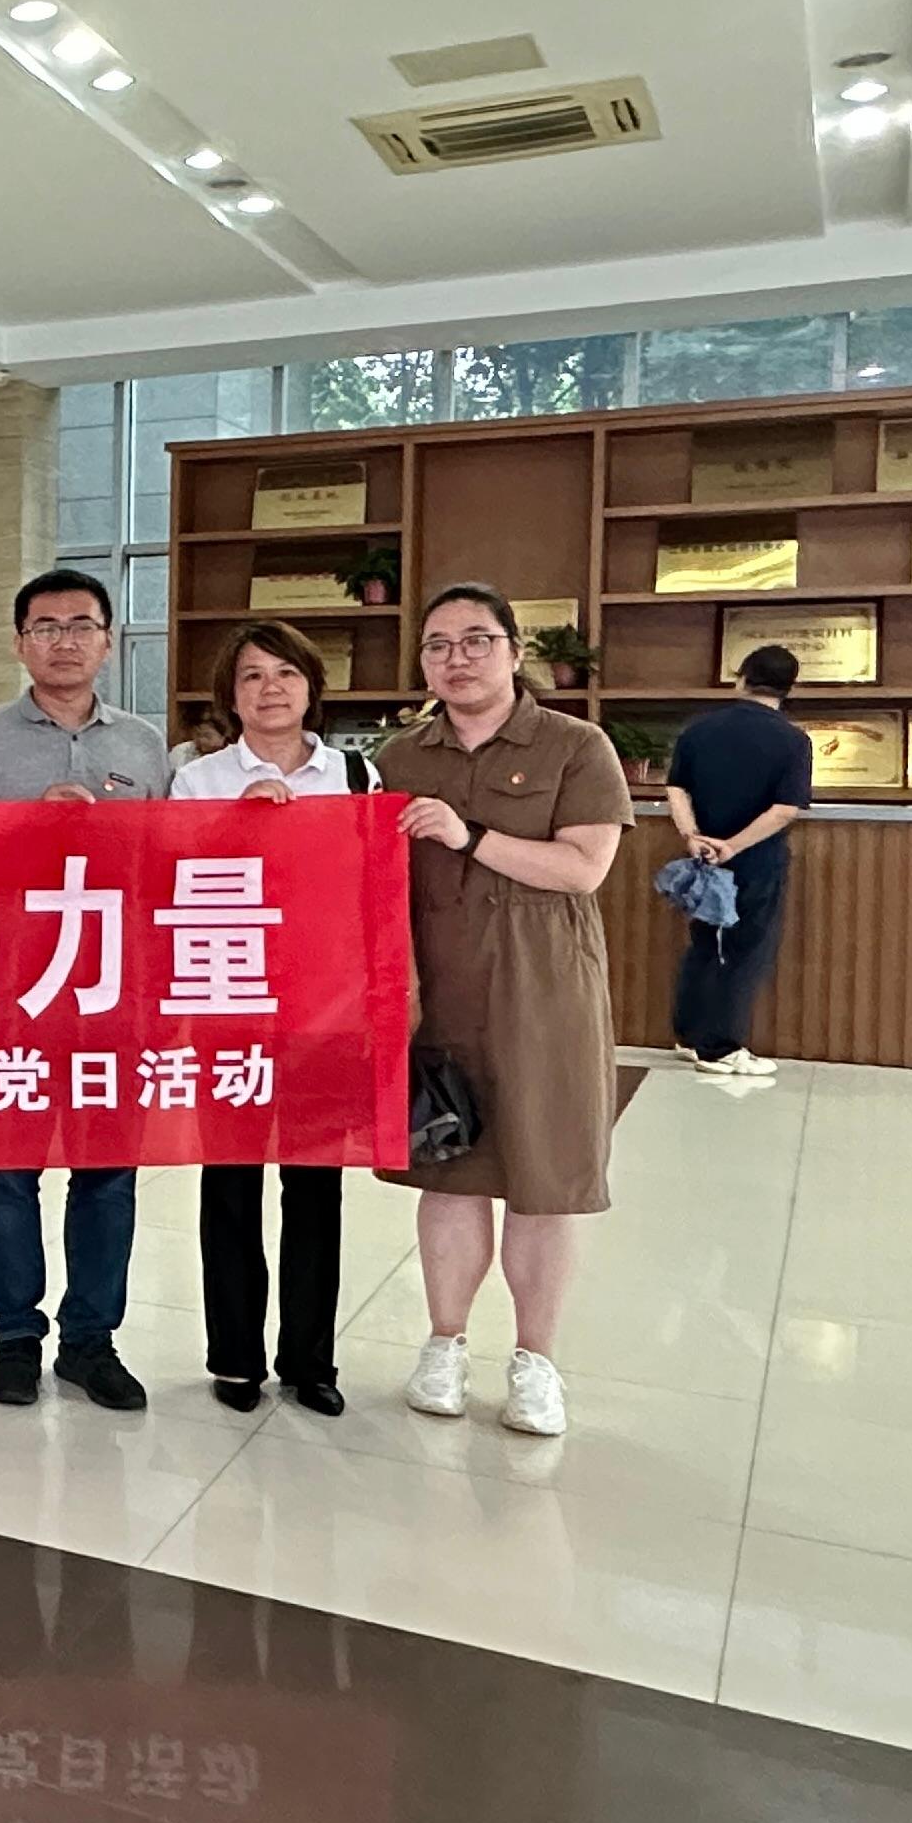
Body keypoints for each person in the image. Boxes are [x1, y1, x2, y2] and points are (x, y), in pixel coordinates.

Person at [379, 581, 629, 1439]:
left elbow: (584, 868)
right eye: (438, 645)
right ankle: (444, 1343)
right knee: (448, 1169)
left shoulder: (574, 746)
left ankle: (535, 1361)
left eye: (477, 640)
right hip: (438, 984)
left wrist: (471, 835)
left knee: (542, 1177)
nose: (458, 659)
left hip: (543, 985)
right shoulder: (400, 757)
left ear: (515, 652)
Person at [0, 567, 167, 1412]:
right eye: (45, 627)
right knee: (6, 1172)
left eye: (81, 625)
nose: (63, 641)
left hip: (116, 989)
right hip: (11, 989)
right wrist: (29, 824)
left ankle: (90, 1341)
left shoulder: (145, 747)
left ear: (108, 641)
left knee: (108, 1174)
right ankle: (14, 1337)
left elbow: (166, 868)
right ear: (18, 643)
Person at [168, 619, 369, 1417]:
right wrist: (237, 825)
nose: (270, 689)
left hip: (326, 1005)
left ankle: (310, 1361)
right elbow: (175, 882)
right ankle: (235, 1358)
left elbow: (371, 886)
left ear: (312, 686)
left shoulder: (354, 773)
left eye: (285, 673)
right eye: (251, 676)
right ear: (231, 695)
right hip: (230, 1003)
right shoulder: (199, 780)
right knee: (231, 1183)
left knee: (316, 1188)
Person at [664, 645, 813, 1078]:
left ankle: (689, 1037)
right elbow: (784, 810)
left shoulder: (699, 730)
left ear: (741, 678)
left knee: (704, 944)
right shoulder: (794, 740)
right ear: (789, 688)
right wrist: (734, 845)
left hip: (702, 861)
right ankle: (720, 1048)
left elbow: (676, 788)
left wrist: (694, 837)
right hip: (757, 861)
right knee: (744, 951)